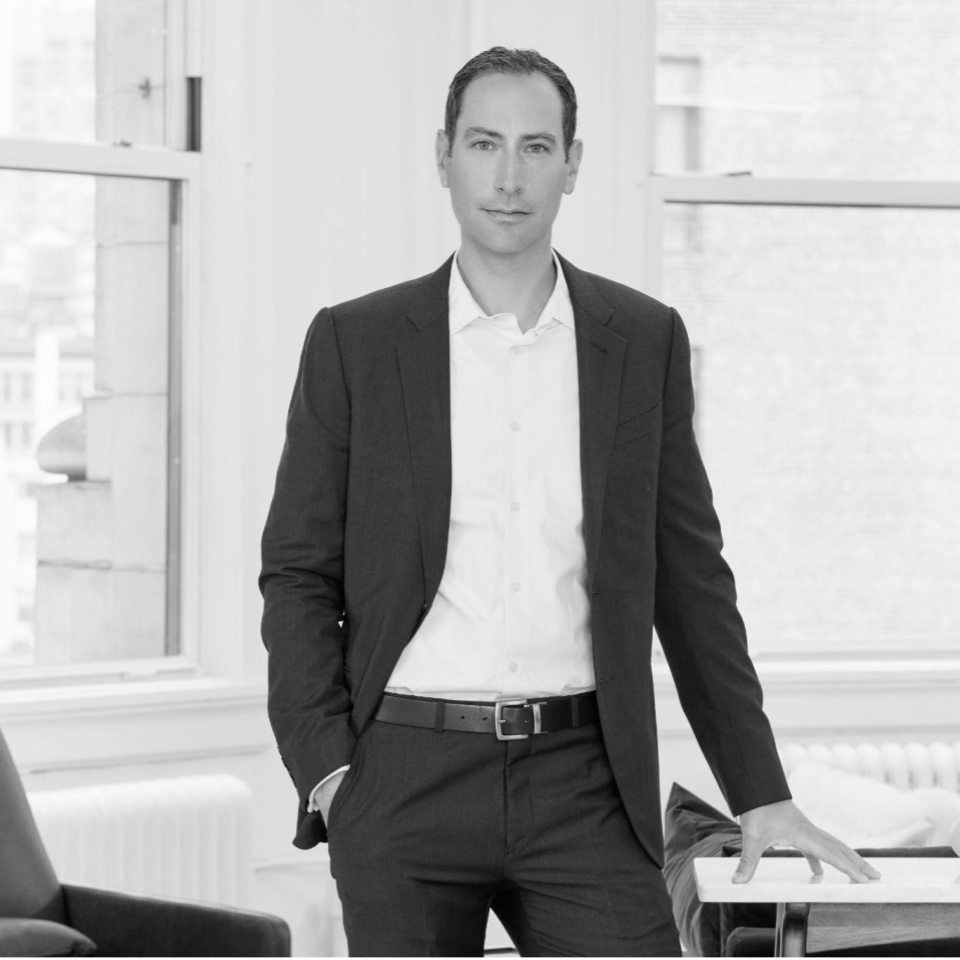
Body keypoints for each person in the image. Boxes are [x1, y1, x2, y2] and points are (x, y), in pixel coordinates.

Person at [259, 46, 880, 957]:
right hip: (401, 776)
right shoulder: (356, 343)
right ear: (443, 157)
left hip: (583, 777)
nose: (509, 178)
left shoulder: (643, 341)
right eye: (484, 144)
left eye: (537, 147)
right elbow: (298, 573)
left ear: (573, 164)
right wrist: (329, 774)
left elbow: (690, 581)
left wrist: (760, 791)